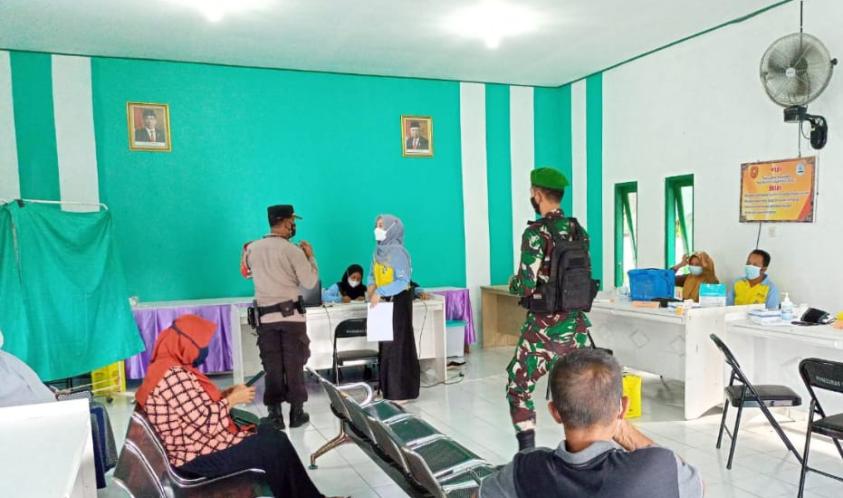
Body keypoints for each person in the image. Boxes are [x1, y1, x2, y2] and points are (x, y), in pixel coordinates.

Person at [135, 314, 325, 498]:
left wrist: (226, 394)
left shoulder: (165, 367)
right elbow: (206, 423)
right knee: (274, 445)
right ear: (185, 343)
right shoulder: (173, 376)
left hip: (195, 446)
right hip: (196, 458)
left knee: (270, 434)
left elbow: (191, 408)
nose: (204, 350)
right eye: (201, 345)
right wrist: (232, 400)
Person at [481, 349, 704, 498]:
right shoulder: (656, 466)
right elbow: (696, 486)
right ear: (623, 407)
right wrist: (623, 428)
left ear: (555, 412)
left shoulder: (526, 469)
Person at [507, 166, 592, 451]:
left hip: (543, 330)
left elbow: (526, 284)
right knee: (575, 391)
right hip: (577, 328)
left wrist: (513, 283)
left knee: (518, 387)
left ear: (537, 194)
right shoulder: (579, 231)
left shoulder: (536, 233)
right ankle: (582, 452)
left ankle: (527, 453)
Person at [245, 204, 318, 430]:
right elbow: (309, 282)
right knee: (294, 365)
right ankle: (297, 413)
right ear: (286, 222)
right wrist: (311, 257)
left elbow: (246, 273)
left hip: (266, 319)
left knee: (272, 366)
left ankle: (275, 415)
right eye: (292, 221)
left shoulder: (252, 249)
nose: (293, 226)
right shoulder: (293, 251)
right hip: (292, 319)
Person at [368, 214, 420, 402]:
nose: (378, 229)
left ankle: (400, 392)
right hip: (381, 302)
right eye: (377, 225)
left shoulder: (399, 253)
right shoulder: (377, 251)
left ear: (392, 228)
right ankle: (386, 389)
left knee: (397, 346)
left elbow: (403, 281)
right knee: (385, 346)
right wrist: (370, 287)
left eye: (382, 226)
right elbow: (371, 274)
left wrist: (380, 291)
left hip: (398, 302)